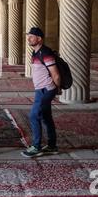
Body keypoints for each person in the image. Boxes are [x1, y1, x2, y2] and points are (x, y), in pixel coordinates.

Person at [22, 27, 61, 158]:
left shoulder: (45, 52)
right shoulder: (35, 53)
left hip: (46, 89)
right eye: (28, 36)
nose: (29, 38)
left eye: (31, 36)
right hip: (41, 89)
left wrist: (56, 88)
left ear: (39, 39)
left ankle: (36, 147)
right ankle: (52, 146)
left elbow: (55, 74)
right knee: (46, 117)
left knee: (34, 116)